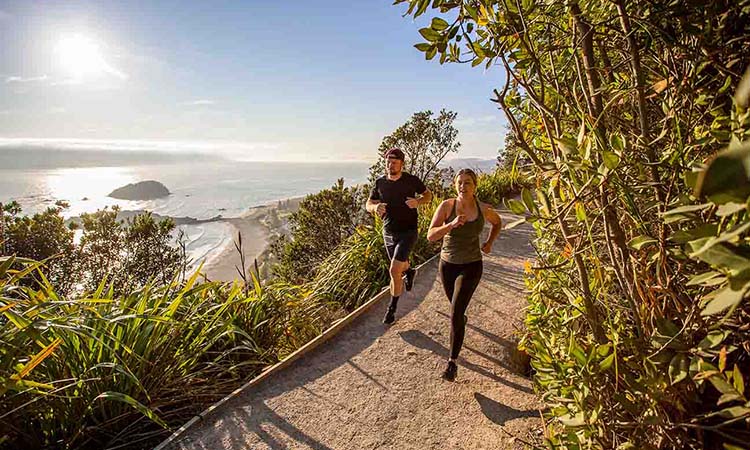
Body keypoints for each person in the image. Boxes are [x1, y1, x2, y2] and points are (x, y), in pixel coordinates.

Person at [427, 168, 502, 381]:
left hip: (471, 266)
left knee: (455, 313)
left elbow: (497, 223)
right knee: (456, 311)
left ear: (475, 186)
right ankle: (460, 319)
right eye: (460, 182)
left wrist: (488, 243)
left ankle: (452, 363)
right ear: (455, 185)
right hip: (447, 266)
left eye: (468, 182)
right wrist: (450, 225)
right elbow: (431, 235)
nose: (463, 186)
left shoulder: (483, 208)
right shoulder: (447, 206)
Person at [367, 148, 432, 325]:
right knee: (400, 266)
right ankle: (410, 271)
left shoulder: (411, 181)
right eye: (388, 161)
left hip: (408, 231)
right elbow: (369, 202)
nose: (390, 165)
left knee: (394, 270)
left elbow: (428, 195)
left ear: (402, 164)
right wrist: (375, 208)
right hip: (388, 232)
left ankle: (392, 309)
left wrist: (417, 202)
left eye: (394, 162)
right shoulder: (380, 182)